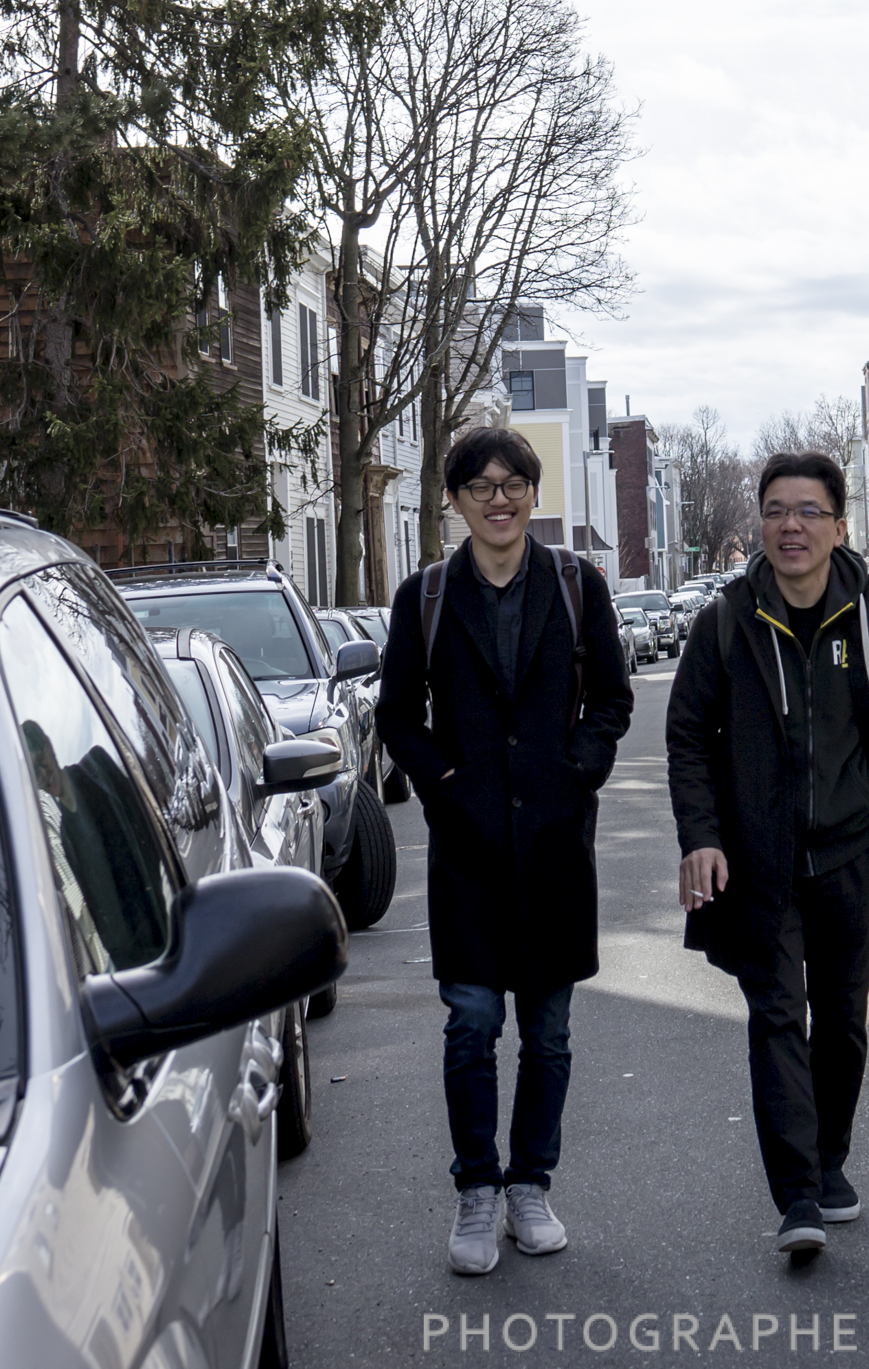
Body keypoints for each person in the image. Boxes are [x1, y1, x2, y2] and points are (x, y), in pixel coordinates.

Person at [667, 450, 869, 1261]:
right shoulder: (727, 622)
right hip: (759, 863)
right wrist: (702, 837)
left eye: (808, 512)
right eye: (776, 511)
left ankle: (829, 1161)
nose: (790, 527)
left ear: (838, 526)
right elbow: (687, 736)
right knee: (776, 1017)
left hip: (855, 856)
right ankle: (797, 1193)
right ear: (760, 523)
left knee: (843, 1024)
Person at [379, 425, 635, 1276]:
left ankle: (531, 1183)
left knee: (549, 1031)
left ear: (532, 492)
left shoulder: (575, 584)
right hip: (469, 848)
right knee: (472, 1024)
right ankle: (476, 1190)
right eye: (481, 486)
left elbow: (612, 698)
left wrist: (577, 771)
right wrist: (445, 785)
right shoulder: (425, 597)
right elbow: (396, 717)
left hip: (557, 844)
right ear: (456, 500)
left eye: (514, 483)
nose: (500, 499)